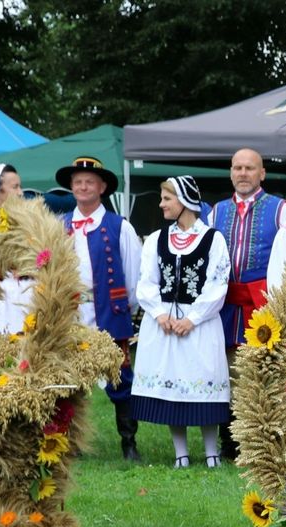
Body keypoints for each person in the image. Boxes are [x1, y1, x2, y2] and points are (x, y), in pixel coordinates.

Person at [131, 177, 231, 468]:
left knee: (202, 384)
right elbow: (146, 281)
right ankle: (181, 454)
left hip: (200, 324)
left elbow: (217, 284)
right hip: (164, 324)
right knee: (172, 388)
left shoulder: (213, 239)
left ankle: (212, 454)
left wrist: (192, 318)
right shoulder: (155, 239)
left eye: (166, 198)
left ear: (185, 201)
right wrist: (160, 314)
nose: (161, 204)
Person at [207, 148, 286, 459]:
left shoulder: (281, 210)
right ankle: (231, 442)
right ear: (231, 172)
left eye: (249, 168)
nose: (243, 173)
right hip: (227, 304)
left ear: (262, 174)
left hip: (263, 304)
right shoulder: (216, 212)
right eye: (237, 168)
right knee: (228, 370)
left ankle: (264, 442)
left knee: (263, 374)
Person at [56, 156, 144, 461]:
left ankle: (128, 443)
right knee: (68, 380)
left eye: (89, 182)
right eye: (78, 181)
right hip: (72, 315)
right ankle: (71, 444)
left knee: (119, 377)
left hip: (110, 311)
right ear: (71, 186)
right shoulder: (59, 226)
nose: (82, 186)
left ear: (102, 187)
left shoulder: (120, 227)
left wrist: (122, 308)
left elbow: (133, 277)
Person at [0, 163, 33, 336]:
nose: (20, 192)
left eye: (20, 186)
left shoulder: (26, 225)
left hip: (22, 308)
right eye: (15, 187)